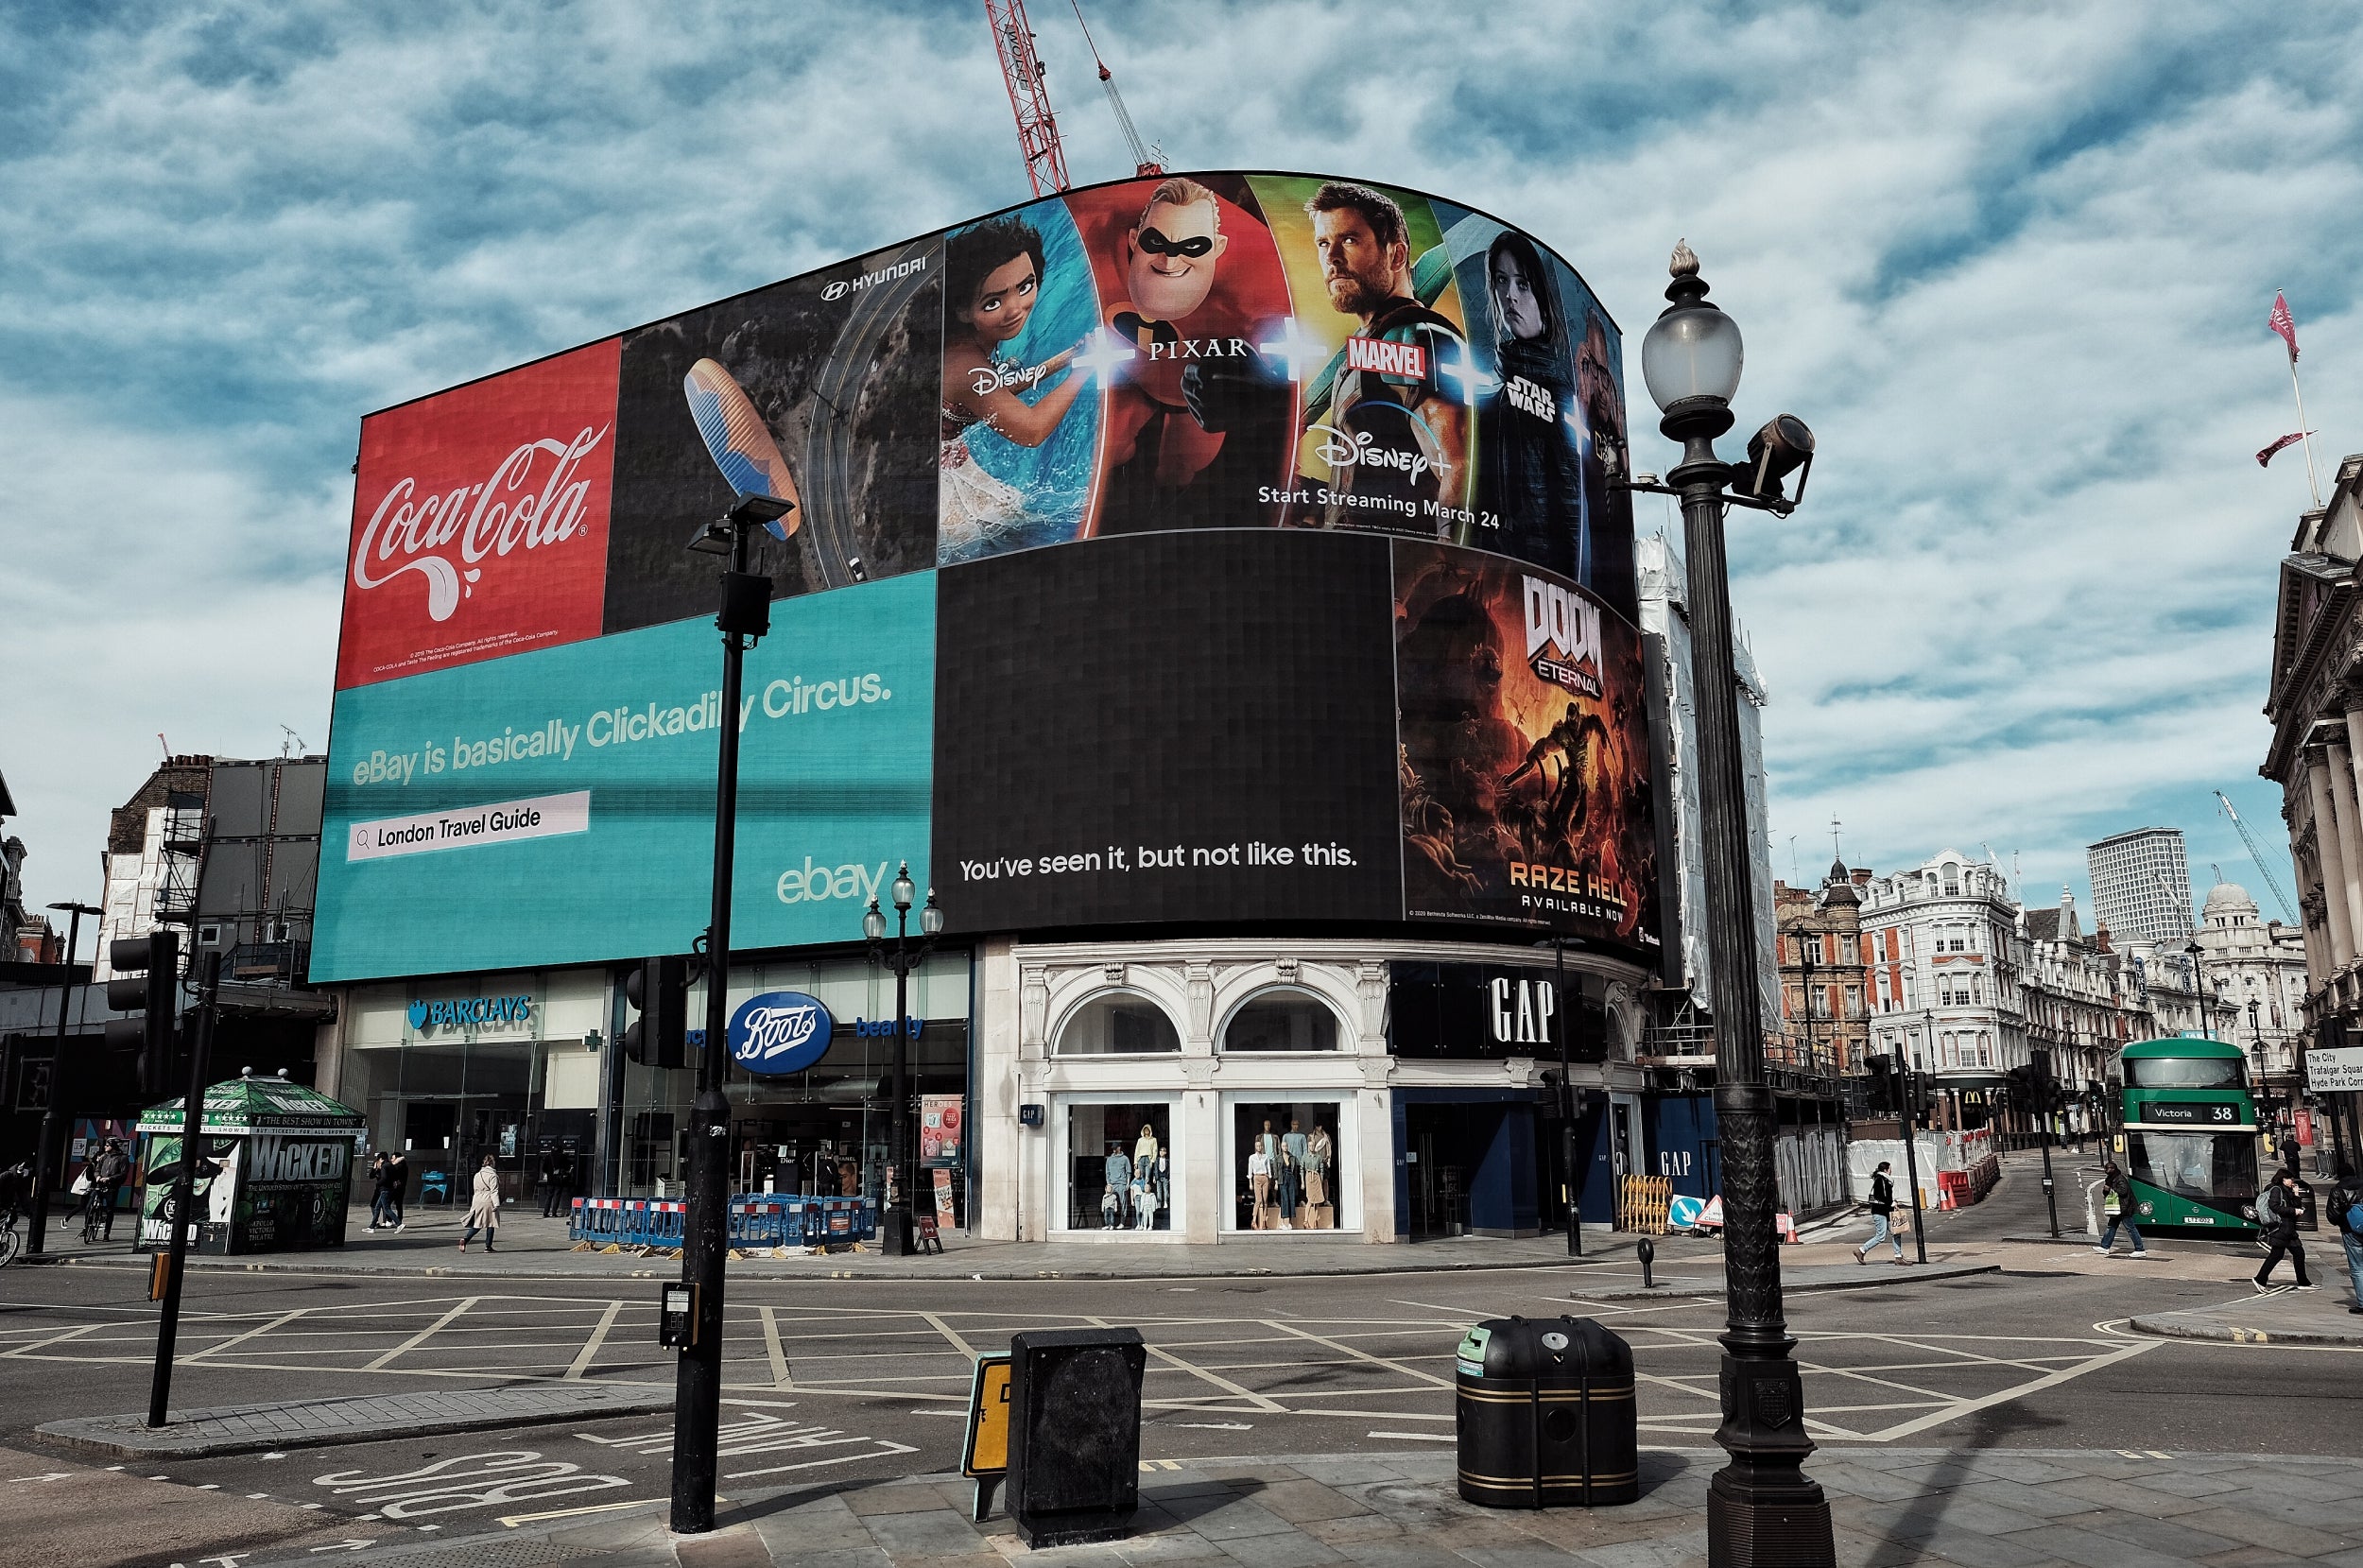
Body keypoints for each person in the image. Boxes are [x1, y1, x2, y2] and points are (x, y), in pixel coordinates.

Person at [1289, 181, 1469, 534]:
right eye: (1324, 243)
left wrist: (1449, 571)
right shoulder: (1367, 345)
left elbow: (1457, 471)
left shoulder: (1413, 337)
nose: (1332, 258)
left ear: (1396, 256)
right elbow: (1370, 490)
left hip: (1397, 574)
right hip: (1351, 566)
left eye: (1350, 240)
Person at [939, 215, 1095, 553]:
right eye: (993, 302)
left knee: (1012, 526)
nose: (1015, 309)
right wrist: (1082, 371)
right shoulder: (964, 363)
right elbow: (1031, 431)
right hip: (941, 483)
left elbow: (996, 394)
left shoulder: (968, 348)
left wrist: (1065, 358)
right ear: (963, 310)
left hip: (955, 465)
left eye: (1025, 287)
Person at [1475, 229, 1582, 577]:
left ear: (1544, 299)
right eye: (1502, 281)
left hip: (1545, 579)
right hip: (1501, 573)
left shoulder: (1560, 391)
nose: (1510, 296)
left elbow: (1571, 512)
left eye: (1523, 285)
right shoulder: (1502, 390)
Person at [2254, 1167, 2315, 1293]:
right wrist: (2293, 1211)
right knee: (2277, 1255)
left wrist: (2297, 1194)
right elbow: (2274, 1207)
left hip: (2288, 1229)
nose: (2292, 1181)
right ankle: (2260, 1279)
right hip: (2281, 1227)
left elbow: (2295, 1206)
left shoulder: (2287, 1190)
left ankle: (2303, 1282)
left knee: (2298, 1253)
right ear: (2283, 1179)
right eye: (2290, 1178)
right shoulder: (2276, 1190)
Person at [2092, 1161, 2150, 1258]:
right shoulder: (2110, 1179)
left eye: (2110, 1168)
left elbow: (2123, 1192)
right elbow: (2107, 1194)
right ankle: (2105, 1247)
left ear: (2114, 1169)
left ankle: (2140, 1249)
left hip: (2124, 1208)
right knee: (2111, 1227)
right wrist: (2106, 1190)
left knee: (2131, 1228)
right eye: (2106, 1168)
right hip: (2117, 1208)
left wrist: (2111, 1189)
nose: (2108, 1170)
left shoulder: (2119, 1179)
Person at [2327, 1163, 2363, 1316]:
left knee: (2358, 1267)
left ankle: (2362, 1303)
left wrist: (2346, 1219)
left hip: (2351, 1231)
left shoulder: (2337, 1190)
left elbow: (2333, 1216)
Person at [1856, 1161, 1906, 1266]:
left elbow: (1885, 1196)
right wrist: (1892, 1203)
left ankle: (1898, 1257)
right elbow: (1882, 1197)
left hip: (1886, 1211)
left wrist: (1892, 1204)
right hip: (1880, 1212)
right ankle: (1861, 1250)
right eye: (1890, 1169)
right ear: (1885, 1170)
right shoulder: (1881, 1180)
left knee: (1896, 1232)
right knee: (1881, 1236)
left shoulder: (1885, 1180)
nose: (1891, 1171)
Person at [88, 1138, 131, 1240]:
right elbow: (97, 1169)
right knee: (89, 1206)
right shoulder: (104, 1157)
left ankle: (106, 1233)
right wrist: (98, 1176)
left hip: (112, 1186)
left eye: (107, 1145)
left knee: (109, 1210)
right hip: (100, 1185)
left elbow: (123, 1174)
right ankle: (87, 1227)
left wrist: (110, 1178)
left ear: (113, 1147)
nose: (105, 1147)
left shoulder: (123, 1158)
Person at [458, 1154, 501, 1253]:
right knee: (491, 1224)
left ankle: (465, 1240)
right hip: (488, 1201)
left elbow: (475, 1189)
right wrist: (496, 1204)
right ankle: (488, 1246)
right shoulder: (493, 1176)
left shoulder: (477, 1175)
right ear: (492, 1163)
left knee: (477, 1223)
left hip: (477, 1200)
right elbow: (494, 1191)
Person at [539, 1146, 575, 1219]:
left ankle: (545, 1213)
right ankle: (554, 1213)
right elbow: (567, 1167)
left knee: (549, 1196)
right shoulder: (563, 1156)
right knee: (557, 1196)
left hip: (550, 1180)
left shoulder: (548, 1157)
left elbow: (544, 1169)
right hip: (559, 1180)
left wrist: (550, 1173)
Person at [368, 1152, 400, 1231]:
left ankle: (393, 1223)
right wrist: (375, 1169)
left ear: (380, 1159)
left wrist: (378, 1184)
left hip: (383, 1189)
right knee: (377, 1206)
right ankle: (374, 1225)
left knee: (384, 1207)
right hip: (381, 1189)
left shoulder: (385, 1167)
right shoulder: (383, 1167)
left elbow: (385, 1178)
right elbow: (371, 1176)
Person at [384, 1148, 408, 1231]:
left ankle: (395, 1221)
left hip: (397, 1188)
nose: (391, 1160)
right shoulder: (401, 1165)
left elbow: (392, 1169)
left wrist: (396, 1162)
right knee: (397, 1205)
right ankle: (396, 1221)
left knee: (388, 1204)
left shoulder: (400, 1166)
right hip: (399, 1188)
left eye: (393, 1158)